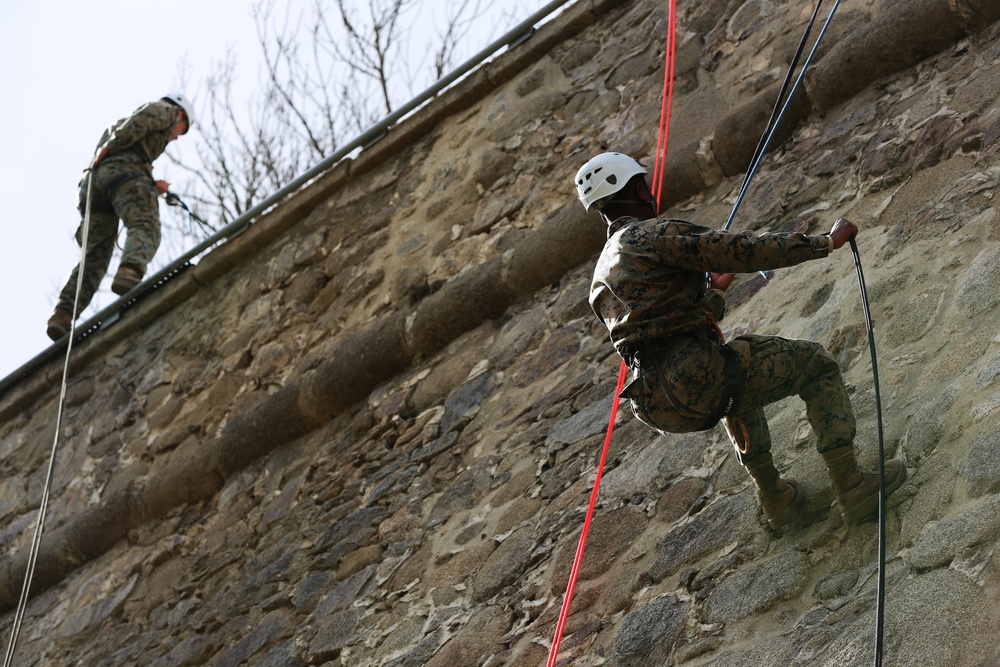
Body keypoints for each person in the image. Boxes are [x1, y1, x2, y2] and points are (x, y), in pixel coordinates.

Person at [574, 152, 906, 528]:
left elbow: (663, 327)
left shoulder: (599, 279)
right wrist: (824, 244)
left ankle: (777, 500)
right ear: (635, 188)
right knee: (816, 365)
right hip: (696, 372)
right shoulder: (649, 235)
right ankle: (853, 486)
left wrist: (713, 295)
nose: (651, 194)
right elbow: (745, 250)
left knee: (735, 383)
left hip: (655, 402)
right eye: (644, 186)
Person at [46, 94, 195, 342]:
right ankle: (130, 271)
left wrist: (151, 183)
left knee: (95, 256)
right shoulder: (165, 111)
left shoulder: (132, 140)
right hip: (120, 172)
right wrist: (109, 150)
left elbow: (130, 144)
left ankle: (62, 315)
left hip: (96, 183)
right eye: (182, 130)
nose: (177, 136)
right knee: (145, 225)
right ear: (180, 115)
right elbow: (138, 124)